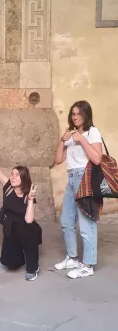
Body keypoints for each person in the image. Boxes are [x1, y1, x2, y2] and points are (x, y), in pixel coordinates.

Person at [54, 100, 102, 279]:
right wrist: (62, 140)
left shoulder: (92, 132)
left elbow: (97, 159)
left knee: (86, 224)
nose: (75, 117)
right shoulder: (71, 134)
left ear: (86, 115)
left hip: (86, 179)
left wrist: (81, 139)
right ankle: (73, 257)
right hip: (72, 178)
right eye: (73, 114)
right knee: (66, 221)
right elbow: (58, 160)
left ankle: (88, 265)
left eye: (79, 114)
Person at [0, 163, 42, 281]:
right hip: (11, 227)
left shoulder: (29, 194)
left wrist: (30, 200)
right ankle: (19, 256)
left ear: (23, 178)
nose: (13, 177)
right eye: (12, 174)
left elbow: (29, 220)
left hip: (26, 228)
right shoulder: (8, 186)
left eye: (17, 175)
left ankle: (33, 267)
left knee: (29, 233)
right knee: (11, 263)